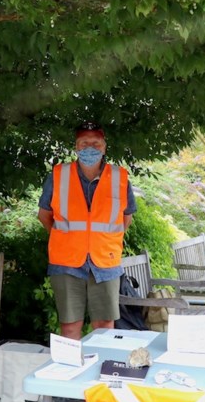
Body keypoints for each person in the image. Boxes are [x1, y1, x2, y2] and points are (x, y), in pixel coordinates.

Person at [37, 122, 136, 339]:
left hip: (106, 261)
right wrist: (69, 239)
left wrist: (102, 239)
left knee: (105, 326)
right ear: (76, 146)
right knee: (70, 326)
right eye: (84, 142)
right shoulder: (58, 175)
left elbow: (125, 219)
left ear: (104, 146)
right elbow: (44, 216)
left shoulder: (120, 177)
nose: (90, 147)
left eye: (95, 142)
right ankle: (70, 371)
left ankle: (99, 371)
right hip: (66, 262)